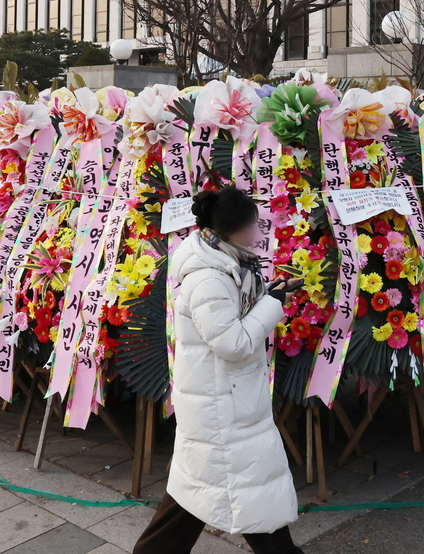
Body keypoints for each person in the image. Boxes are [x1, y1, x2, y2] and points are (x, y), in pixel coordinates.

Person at [131, 186, 305, 554]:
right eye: (252, 226)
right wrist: (272, 306)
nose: (257, 234)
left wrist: (270, 295)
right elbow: (233, 344)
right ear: (231, 229)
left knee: (213, 495)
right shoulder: (207, 277)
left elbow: (233, 320)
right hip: (222, 410)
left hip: (228, 403)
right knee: (238, 496)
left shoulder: (223, 259)